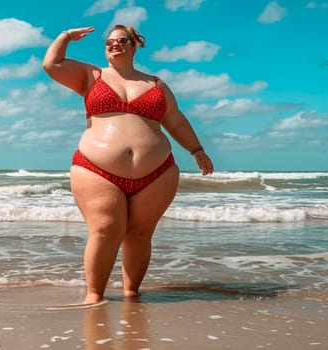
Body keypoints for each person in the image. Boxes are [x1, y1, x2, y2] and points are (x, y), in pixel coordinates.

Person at [43, 24, 214, 305]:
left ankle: (132, 296)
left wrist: (197, 150)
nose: (115, 45)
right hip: (96, 168)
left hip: (157, 172)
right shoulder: (91, 75)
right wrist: (65, 37)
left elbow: (175, 120)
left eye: (122, 41)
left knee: (139, 234)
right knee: (105, 229)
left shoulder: (156, 84)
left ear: (135, 46)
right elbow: (52, 64)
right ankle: (94, 296)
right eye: (109, 42)